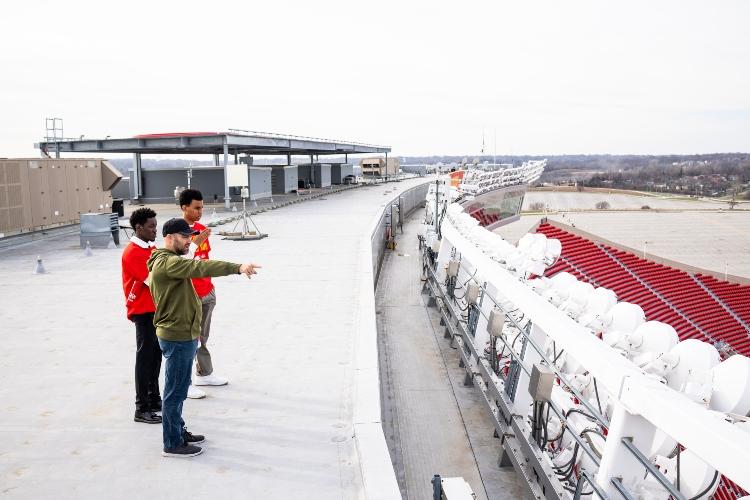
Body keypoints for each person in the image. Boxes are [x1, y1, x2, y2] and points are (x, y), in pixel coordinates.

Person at [147, 218, 260, 458]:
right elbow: (201, 268)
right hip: (177, 336)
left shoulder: (167, 260)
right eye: (185, 236)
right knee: (175, 392)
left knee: (177, 388)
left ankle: (178, 431)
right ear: (169, 237)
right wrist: (238, 267)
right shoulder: (168, 263)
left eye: (190, 236)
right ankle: (173, 443)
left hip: (181, 333)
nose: (189, 240)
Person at [179, 188, 226, 398]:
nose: (200, 211)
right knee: (189, 339)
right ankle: (185, 382)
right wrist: (193, 244)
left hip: (207, 289)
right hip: (190, 294)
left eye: (202, 207)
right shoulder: (175, 232)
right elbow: (177, 263)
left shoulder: (202, 228)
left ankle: (204, 373)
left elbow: (204, 259)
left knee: (203, 336)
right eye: (196, 208)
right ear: (184, 207)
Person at [121, 207, 161, 424]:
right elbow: (153, 279)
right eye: (151, 226)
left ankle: (154, 399)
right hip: (142, 310)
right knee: (145, 358)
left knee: (155, 356)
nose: (155, 230)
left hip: (155, 308)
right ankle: (141, 407)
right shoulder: (133, 252)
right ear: (138, 228)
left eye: (156, 225)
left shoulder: (150, 247)